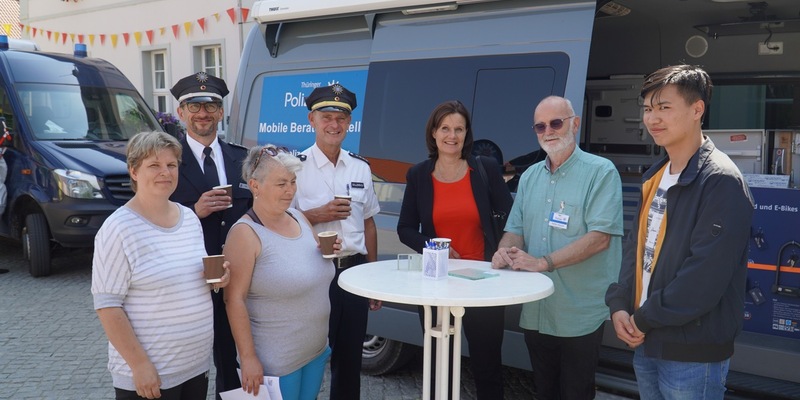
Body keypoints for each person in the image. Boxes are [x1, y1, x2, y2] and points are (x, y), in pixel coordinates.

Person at [605, 65, 754, 399]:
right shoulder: (656, 174)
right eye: (647, 109)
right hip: (646, 342)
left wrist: (641, 320)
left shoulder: (721, 181)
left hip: (690, 354)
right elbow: (636, 250)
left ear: (697, 109)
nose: (652, 118)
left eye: (664, 107)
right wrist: (618, 306)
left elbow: (703, 278)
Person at [491, 95, 623, 400]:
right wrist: (505, 251)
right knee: (545, 391)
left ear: (574, 124)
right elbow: (515, 229)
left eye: (556, 122)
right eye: (540, 126)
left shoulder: (601, 172)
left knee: (576, 393)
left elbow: (600, 237)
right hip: (537, 310)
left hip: (578, 312)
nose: (548, 130)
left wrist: (543, 262)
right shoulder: (530, 177)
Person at [91, 131, 231, 400]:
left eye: (171, 165)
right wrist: (140, 366)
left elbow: (191, 276)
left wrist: (217, 280)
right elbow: (108, 306)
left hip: (194, 366)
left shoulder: (188, 218)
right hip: (151, 374)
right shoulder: (118, 229)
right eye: (154, 165)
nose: (165, 172)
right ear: (133, 171)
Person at [397, 100, 513, 399]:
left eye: (459, 129)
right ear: (433, 133)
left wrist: (503, 252)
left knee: (487, 364)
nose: (452, 135)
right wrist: (434, 247)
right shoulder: (419, 175)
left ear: (467, 134)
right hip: (438, 282)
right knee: (438, 363)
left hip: (484, 282)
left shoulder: (485, 168)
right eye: (445, 128)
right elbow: (406, 228)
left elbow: (512, 218)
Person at [224, 144, 337, 399]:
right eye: (281, 184)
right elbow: (234, 300)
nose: (290, 191)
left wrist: (326, 254)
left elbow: (301, 265)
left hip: (316, 350)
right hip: (277, 362)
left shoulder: (298, 217)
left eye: (293, 182)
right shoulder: (245, 234)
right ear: (255, 185)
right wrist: (248, 357)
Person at [292, 83, 381, 400]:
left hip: (355, 274)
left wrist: (372, 276)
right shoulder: (295, 168)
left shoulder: (360, 167)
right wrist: (316, 214)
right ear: (311, 120)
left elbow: (369, 223)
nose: (334, 125)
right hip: (313, 273)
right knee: (308, 356)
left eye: (341, 118)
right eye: (326, 117)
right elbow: (278, 224)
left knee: (350, 359)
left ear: (349, 123)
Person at [168, 72, 252, 398]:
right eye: (194, 106)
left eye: (210, 106)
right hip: (189, 278)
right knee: (191, 362)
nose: (202, 113)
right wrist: (193, 210)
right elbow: (154, 216)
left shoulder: (242, 158)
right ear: (181, 113)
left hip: (239, 276)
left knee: (235, 359)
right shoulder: (168, 161)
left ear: (220, 112)